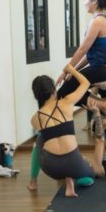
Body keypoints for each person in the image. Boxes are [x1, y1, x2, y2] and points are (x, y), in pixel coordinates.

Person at [31, 65, 94, 197]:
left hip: (52, 168)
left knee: (40, 139)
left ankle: (33, 182)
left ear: (37, 96)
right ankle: (73, 178)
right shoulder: (67, 102)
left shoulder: (35, 119)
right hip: (74, 162)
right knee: (89, 174)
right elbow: (86, 83)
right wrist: (71, 70)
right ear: (54, 90)